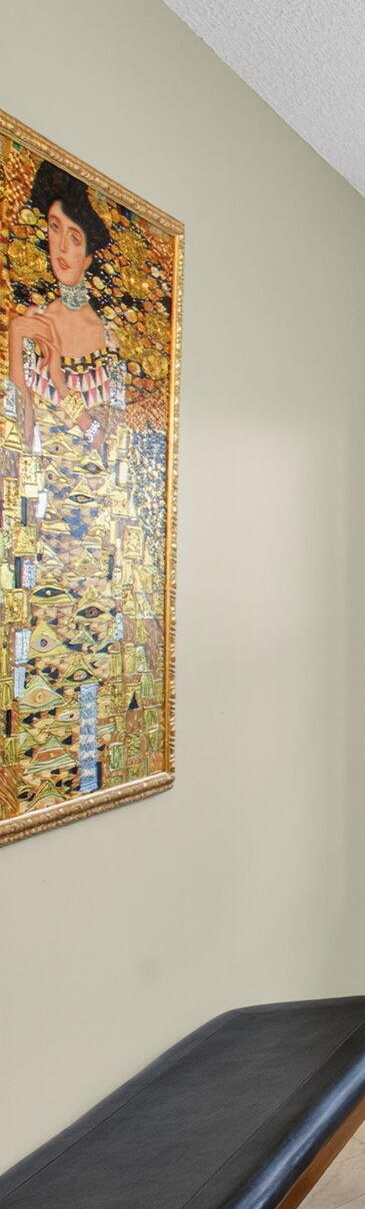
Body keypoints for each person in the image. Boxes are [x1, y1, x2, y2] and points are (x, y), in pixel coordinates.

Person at [2, 161, 132, 805]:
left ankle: (88, 772)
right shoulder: (31, 325)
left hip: (95, 520)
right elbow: (22, 426)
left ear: (89, 249)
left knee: (95, 651)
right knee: (43, 645)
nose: (61, 246)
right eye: (54, 229)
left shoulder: (106, 336)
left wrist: (68, 390)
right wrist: (23, 354)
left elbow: (110, 436)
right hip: (49, 512)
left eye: (74, 236)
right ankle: (39, 779)